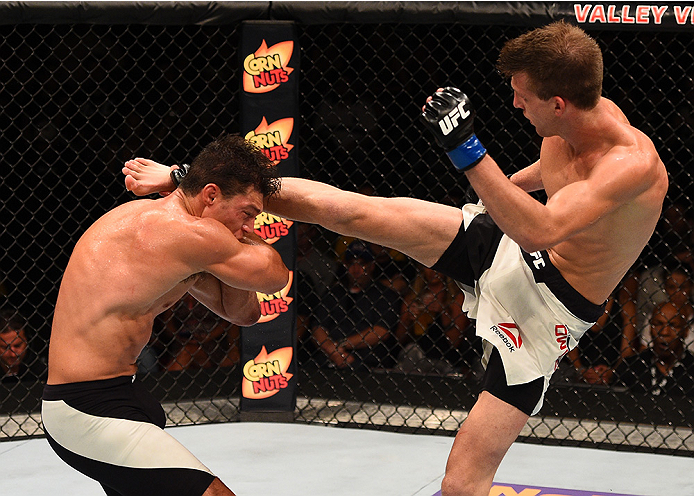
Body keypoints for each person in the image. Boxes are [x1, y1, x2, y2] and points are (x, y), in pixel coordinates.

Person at [123, 22, 667, 496]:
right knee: (361, 213)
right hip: (503, 244)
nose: (517, 104)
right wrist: (489, 193)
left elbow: (538, 228)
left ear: (558, 103)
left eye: (523, 97)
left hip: (547, 310)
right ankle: (188, 179)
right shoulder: (576, 119)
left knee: (460, 484)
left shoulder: (628, 165)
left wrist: (468, 151)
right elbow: (545, 185)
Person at [45, 134, 289, 496]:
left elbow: (245, 314)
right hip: (87, 409)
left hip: (118, 395)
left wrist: (227, 234)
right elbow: (275, 274)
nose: (251, 227)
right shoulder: (182, 232)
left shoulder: (182, 236)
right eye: (247, 214)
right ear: (210, 195)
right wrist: (233, 242)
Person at [309, 240, 401, 369]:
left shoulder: (384, 295)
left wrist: (341, 345)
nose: (356, 269)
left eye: (362, 264)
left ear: (372, 266)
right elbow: (317, 328)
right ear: (345, 265)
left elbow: (381, 332)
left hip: (367, 360)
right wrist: (335, 352)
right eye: (351, 263)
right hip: (329, 356)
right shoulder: (334, 292)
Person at [395, 265, 474, 375]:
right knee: (411, 350)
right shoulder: (412, 297)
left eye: (436, 267)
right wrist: (408, 319)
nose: (432, 271)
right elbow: (399, 339)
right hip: (418, 355)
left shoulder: (457, 298)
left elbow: (455, 341)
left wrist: (443, 311)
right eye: (428, 267)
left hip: (448, 358)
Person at [612, 301, 694, 396]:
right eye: (658, 324)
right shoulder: (631, 366)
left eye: (673, 325)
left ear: (686, 330)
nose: (664, 332)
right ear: (650, 328)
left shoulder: (691, 369)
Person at [0, 308, 46, 382]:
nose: (13, 354)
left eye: (17, 345)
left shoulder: (40, 372)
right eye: (5, 347)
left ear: (27, 341)